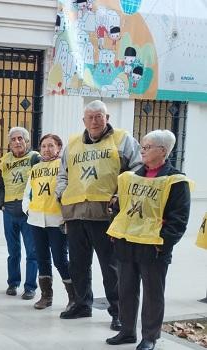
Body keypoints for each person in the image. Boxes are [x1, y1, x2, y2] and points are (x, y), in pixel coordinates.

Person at [55, 100, 142, 331]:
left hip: (107, 216)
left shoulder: (123, 139)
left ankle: (119, 312)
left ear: (107, 118)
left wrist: (119, 195)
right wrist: (61, 193)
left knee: (111, 268)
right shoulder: (72, 143)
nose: (94, 121)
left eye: (99, 116)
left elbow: (137, 169)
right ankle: (83, 304)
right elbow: (62, 173)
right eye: (90, 117)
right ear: (84, 120)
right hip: (75, 214)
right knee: (78, 265)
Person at [105, 130, 191, 350]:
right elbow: (122, 207)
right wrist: (115, 227)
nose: (141, 150)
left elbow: (179, 218)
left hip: (154, 247)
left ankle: (150, 336)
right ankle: (126, 331)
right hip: (127, 243)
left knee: (153, 294)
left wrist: (162, 242)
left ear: (162, 151)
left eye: (147, 147)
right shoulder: (130, 177)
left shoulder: (175, 180)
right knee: (126, 289)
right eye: (142, 146)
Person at [22, 134, 73, 310]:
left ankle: (73, 297)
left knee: (60, 259)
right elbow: (28, 192)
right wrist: (28, 209)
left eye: (51, 146)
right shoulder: (35, 168)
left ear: (59, 148)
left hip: (56, 220)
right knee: (42, 258)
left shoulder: (63, 165)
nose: (46, 149)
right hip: (36, 220)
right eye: (43, 146)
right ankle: (46, 296)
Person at [0, 126, 41, 299]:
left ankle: (30, 287)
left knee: (32, 251)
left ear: (27, 141)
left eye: (20, 139)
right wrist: (2, 203)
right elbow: (1, 185)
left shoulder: (35, 158)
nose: (17, 142)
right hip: (8, 211)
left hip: (27, 212)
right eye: (13, 139)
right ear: (9, 143)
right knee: (13, 251)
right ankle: (12, 283)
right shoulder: (4, 160)